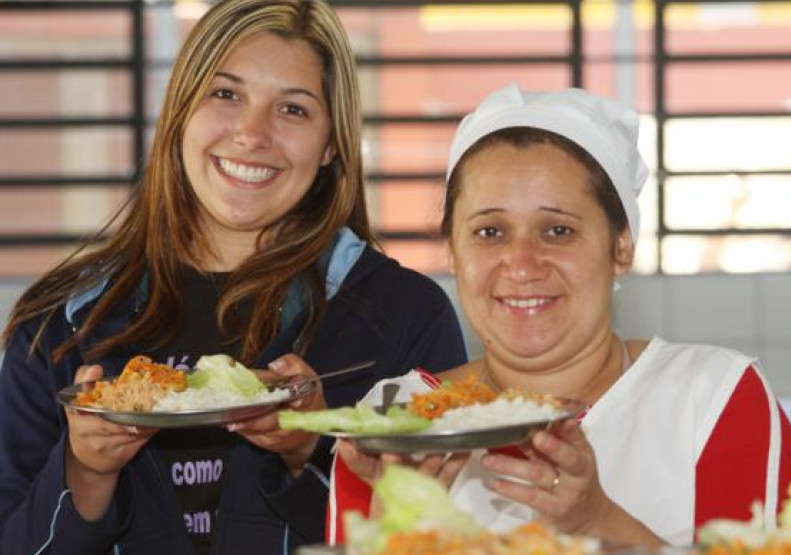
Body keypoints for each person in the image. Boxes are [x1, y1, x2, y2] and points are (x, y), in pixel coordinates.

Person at [0, 0, 466, 553]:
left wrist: (310, 453)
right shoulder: (61, 323)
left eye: (292, 109)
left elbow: (448, 534)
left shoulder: (406, 315)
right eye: (225, 94)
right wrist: (85, 473)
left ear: (331, 144)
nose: (251, 133)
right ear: (181, 112)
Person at [327, 84, 791, 548]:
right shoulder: (393, 421)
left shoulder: (710, 398)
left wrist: (598, 521)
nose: (521, 265)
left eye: (558, 230)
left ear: (621, 246)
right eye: (490, 231)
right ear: (453, 250)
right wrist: (388, 537)